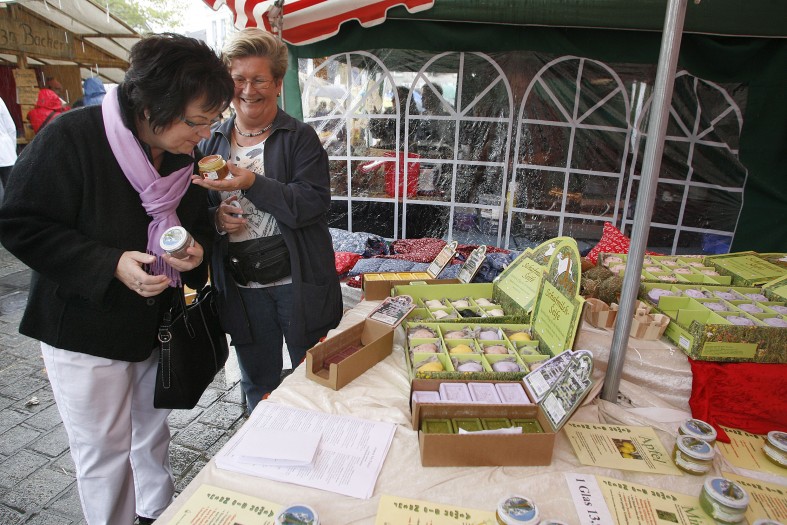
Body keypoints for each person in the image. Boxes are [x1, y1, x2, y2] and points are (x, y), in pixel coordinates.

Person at [0, 33, 234, 525]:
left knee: (152, 433)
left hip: (156, 326)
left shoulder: (181, 155)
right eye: (196, 121)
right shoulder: (72, 137)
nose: (203, 134)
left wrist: (194, 252)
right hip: (85, 327)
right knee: (103, 451)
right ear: (152, 105)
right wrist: (109, 263)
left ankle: (156, 512)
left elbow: (191, 224)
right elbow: (20, 222)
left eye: (211, 122)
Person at [194, 28, 342, 414]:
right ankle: (260, 439)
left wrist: (251, 183)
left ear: (277, 84)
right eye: (238, 79)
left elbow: (312, 203)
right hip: (242, 285)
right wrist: (216, 218)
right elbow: (194, 209)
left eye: (259, 80)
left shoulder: (299, 138)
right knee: (257, 382)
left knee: (313, 378)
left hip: (297, 282)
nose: (248, 90)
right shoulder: (210, 142)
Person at [0, 97, 17, 190]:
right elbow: (11, 128)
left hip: (6, 153)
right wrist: (12, 149)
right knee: (11, 190)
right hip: (6, 153)